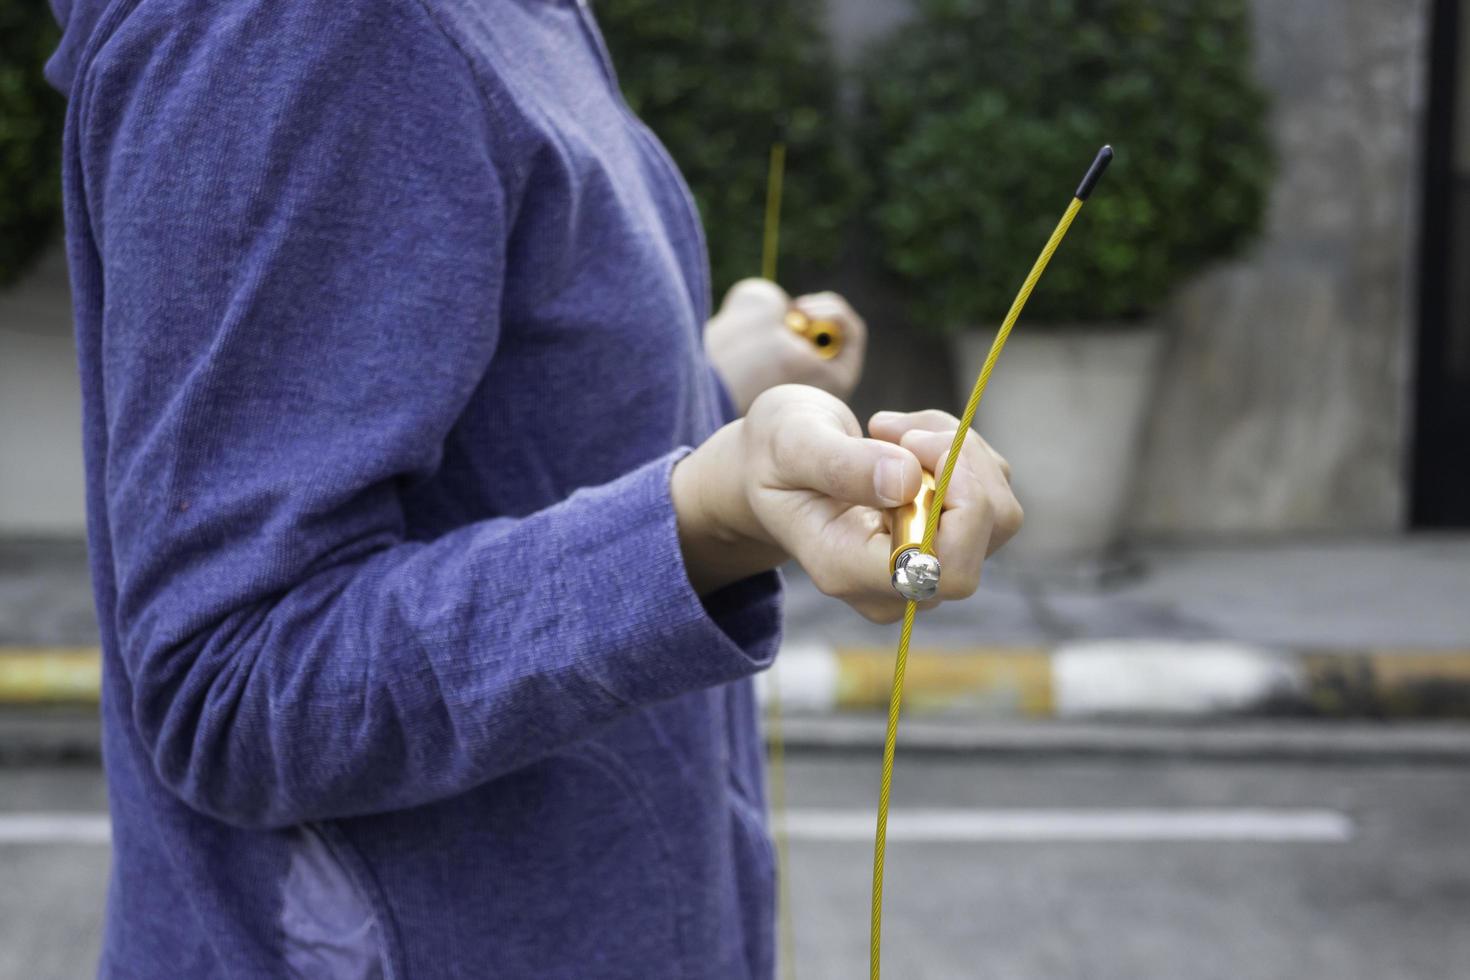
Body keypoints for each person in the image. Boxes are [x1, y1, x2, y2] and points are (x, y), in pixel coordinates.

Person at [44, 0, 1022, 976]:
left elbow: (474, 431)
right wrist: (705, 519)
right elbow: (235, 681)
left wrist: (702, 384)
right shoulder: (307, 29)